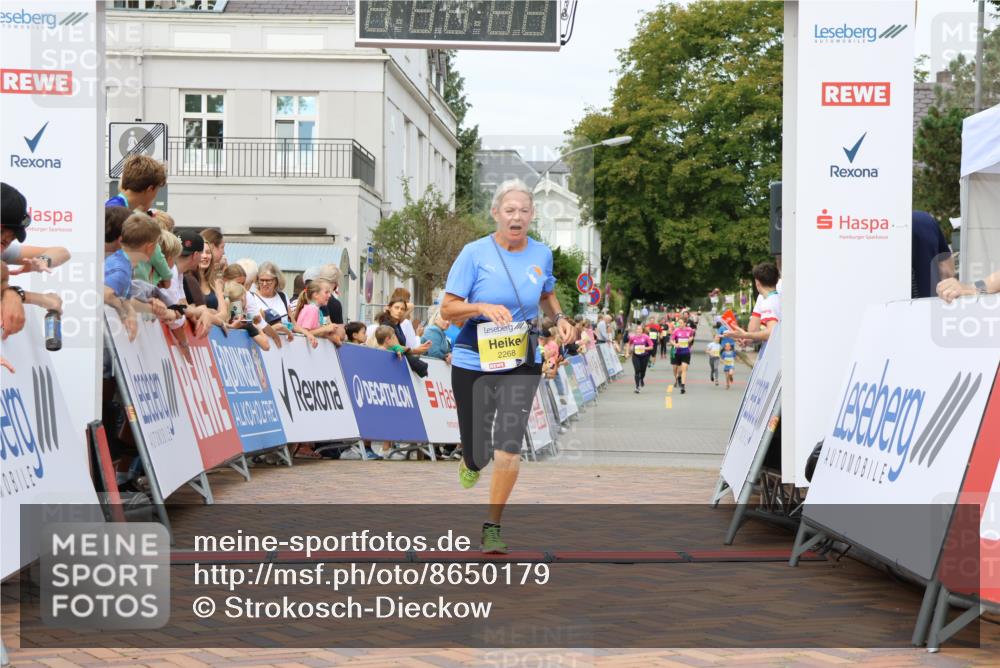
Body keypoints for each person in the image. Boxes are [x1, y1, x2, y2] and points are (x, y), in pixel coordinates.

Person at [440, 178, 575, 554]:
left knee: (509, 445)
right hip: (473, 356)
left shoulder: (541, 254)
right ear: (496, 212)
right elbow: (447, 309)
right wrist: (481, 307)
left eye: (524, 211)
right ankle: (469, 458)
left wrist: (560, 317)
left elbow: (546, 293)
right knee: (478, 450)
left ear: (532, 215)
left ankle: (492, 526)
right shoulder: (473, 253)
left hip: (520, 356)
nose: (517, 217)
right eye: (510, 210)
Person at [728, 262, 781, 344]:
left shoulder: (768, 303)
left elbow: (772, 332)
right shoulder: (777, 299)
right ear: (777, 280)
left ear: (757, 282)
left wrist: (746, 335)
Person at [912, 210, 954, 298]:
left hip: (888, 306)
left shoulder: (879, 227)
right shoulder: (925, 220)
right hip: (931, 302)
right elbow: (947, 271)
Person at [627, 324, 654, 393]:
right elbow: (628, 344)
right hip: (636, 356)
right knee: (637, 370)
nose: (638, 330)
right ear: (636, 330)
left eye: (640, 329)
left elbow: (651, 347)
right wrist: (627, 352)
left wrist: (644, 348)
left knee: (643, 371)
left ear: (642, 330)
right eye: (637, 329)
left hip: (644, 356)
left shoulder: (646, 337)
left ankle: (641, 379)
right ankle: (637, 387)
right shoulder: (633, 337)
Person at [671, 318, 696, 394]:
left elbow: (692, 336)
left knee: (684, 369)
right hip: (678, 352)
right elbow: (671, 340)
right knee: (678, 370)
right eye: (679, 323)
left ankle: (683, 386)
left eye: (681, 323)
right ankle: (678, 378)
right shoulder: (676, 331)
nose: (680, 324)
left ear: (685, 323)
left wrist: (690, 339)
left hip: (686, 352)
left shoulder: (689, 330)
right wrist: (675, 344)